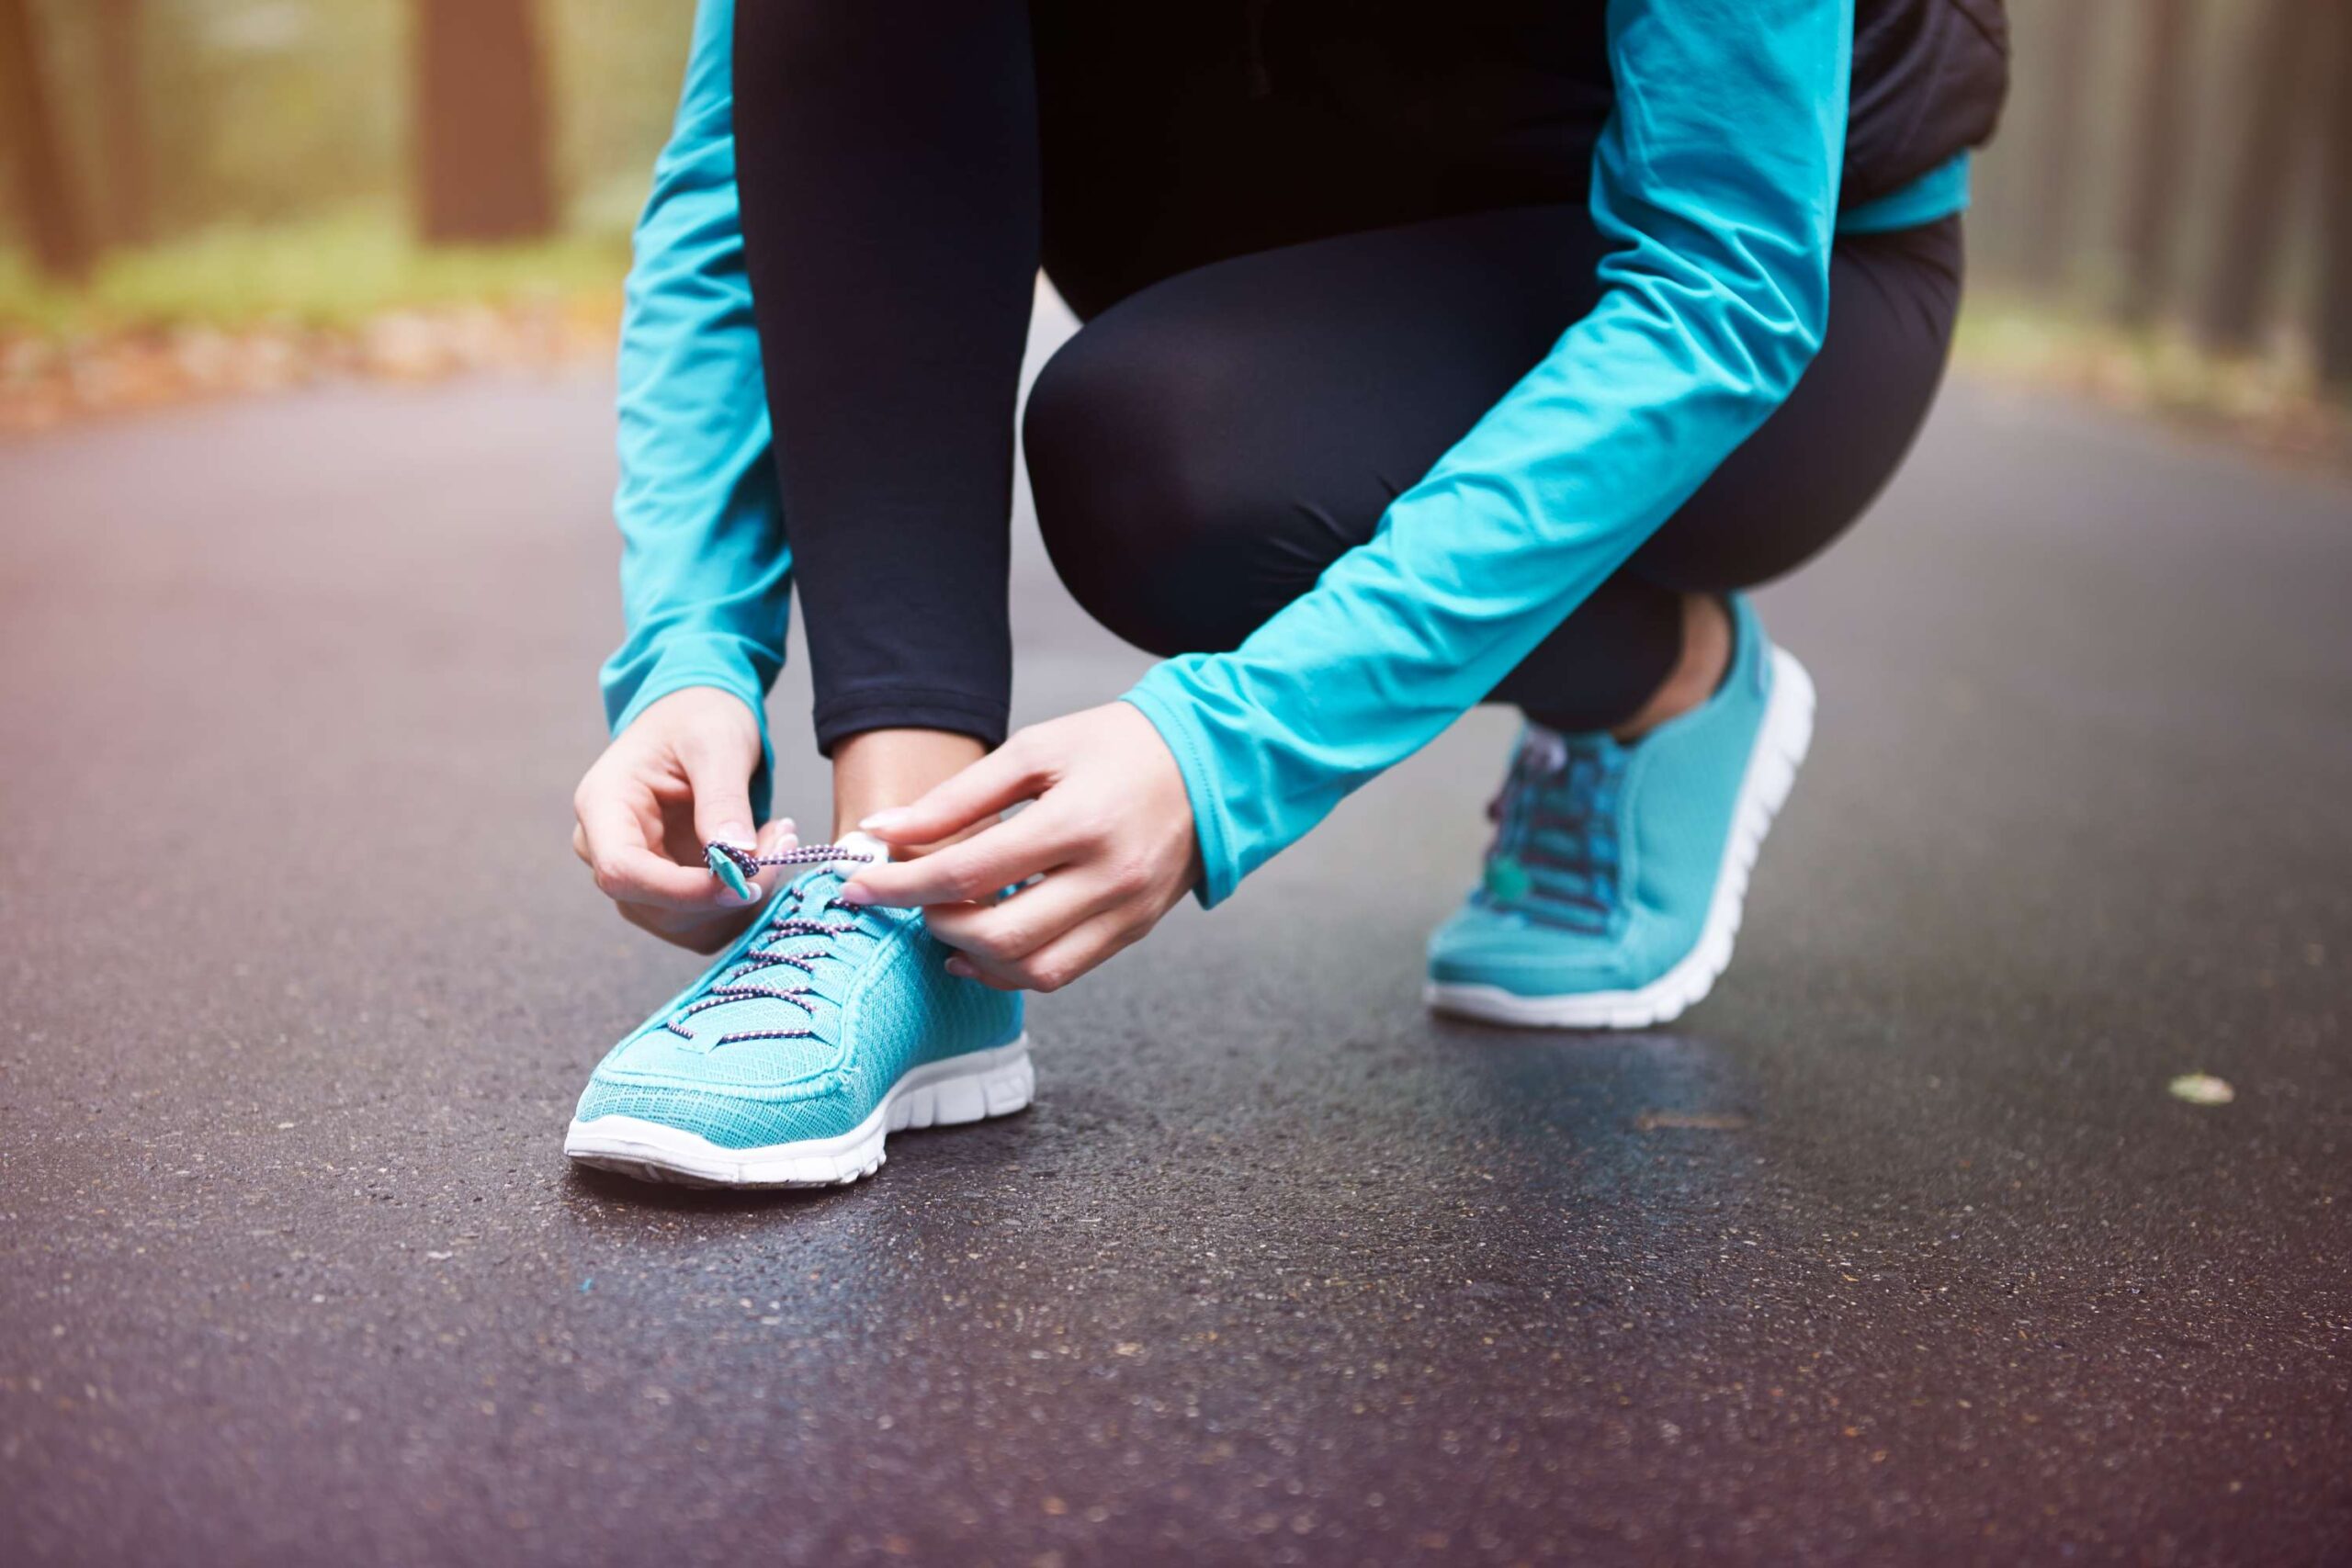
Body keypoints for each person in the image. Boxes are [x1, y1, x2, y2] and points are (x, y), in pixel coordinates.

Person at [564, 0, 2007, 1186]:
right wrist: (692, 647)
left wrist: (1222, 753)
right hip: (1268, 202)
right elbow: (743, 172)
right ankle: (903, 888)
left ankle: (1668, 676)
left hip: (1764, 265)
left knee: (1170, 483)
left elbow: (1720, 287)